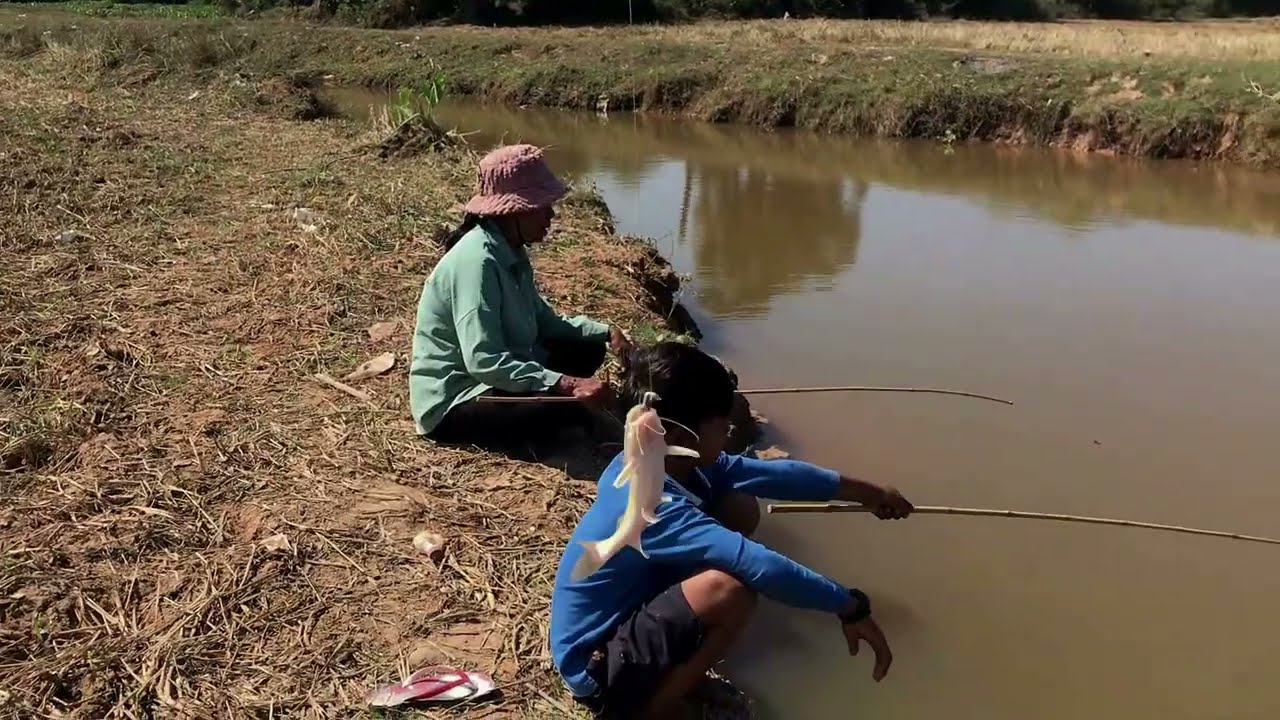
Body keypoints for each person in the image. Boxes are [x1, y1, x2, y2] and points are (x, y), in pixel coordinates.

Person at [549, 341, 915, 719]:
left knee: (738, 505)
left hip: (625, 613)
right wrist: (850, 606)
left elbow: (776, 476)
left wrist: (868, 493)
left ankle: (669, 670)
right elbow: (761, 567)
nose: (730, 429)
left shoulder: (663, 456)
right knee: (729, 592)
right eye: (722, 425)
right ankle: (654, 709)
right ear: (679, 438)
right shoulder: (649, 503)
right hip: (593, 664)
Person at [409, 144, 632, 444]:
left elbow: (544, 321)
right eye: (542, 207)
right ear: (513, 210)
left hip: (500, 371)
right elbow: (483, 361)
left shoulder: (511, 249)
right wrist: (567, 384)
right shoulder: (477, 263)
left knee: (587, 348)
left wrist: (606, 332)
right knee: (568, 409)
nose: (551, 215)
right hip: (462, 396)